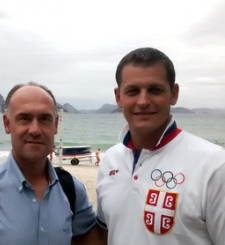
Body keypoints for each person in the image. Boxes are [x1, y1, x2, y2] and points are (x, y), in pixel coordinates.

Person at [96, 47, 225, 245]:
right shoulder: (110, 160)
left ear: (174, 94)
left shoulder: (214, 165)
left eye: (155, 90)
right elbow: (106, 232)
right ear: (118, 97)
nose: (143, 101)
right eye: (132, 91)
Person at [0, 82, 104, 244]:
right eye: (24, 118)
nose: (35, 130)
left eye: (44, 119)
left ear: (55, 125)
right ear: (7, 124)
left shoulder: (72, 189)